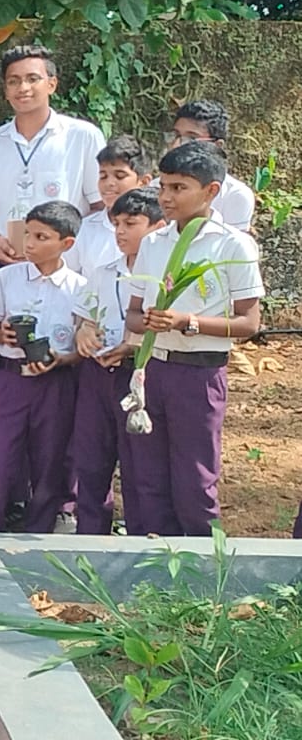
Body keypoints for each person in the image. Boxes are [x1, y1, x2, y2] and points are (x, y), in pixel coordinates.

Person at [125, 141, 263, 537]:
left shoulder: (232, 244)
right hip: (153, 371)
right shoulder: (153, 243)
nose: (166, 198)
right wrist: (148, 322)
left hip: (199, 374)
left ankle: (203, 562)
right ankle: (158, 560)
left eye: (179, 188)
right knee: (149, 477)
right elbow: (132, 314)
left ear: (211, 191)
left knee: (194, 480)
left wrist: (189, 322)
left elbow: (249, 322)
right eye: (163, 187)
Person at [0, 201, 87, 532]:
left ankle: (39, 533)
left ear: (67, 243)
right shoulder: (7, 277)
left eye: (41, 237)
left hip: (55, 384)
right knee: (0, 459)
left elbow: (82, 345)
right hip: (11, 380)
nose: (30, 243)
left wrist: (63, 359)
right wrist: (2, 335)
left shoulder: (79, 288)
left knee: (49, 460)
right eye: (27, 234)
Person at [72, 187, 163, 535]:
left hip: (138, 374)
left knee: (139, 464)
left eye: (131, 223)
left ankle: (142, 538)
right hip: (97, 375)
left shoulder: (163, 277)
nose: (121, 232)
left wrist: (131, 347)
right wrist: (84, 333)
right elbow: (84, 318)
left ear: (157, 227)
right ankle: (90, 538)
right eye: (117, 224)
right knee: (91, 460)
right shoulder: (103, 272)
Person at [0, 45, 105, 268]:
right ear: (5, 90)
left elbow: (100, 206)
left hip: (66, 267)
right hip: (4, 266)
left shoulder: (82, 137)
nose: (23, 88)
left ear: (52, 84)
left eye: (32, 79)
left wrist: (57, 244)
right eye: (14, 81)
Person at [66, 136, 152, 280]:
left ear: (144, 182)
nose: (109, 183)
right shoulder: (84, 230)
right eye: (103, 176)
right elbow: (69, 278)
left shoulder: (156, 229)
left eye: (120, 176)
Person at [164, 99, 256, 232]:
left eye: (191, 139)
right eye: (176, 135)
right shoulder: (156, 186)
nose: (177, 145)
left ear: (217, 146)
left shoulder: (235, 196)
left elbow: (233, 243)